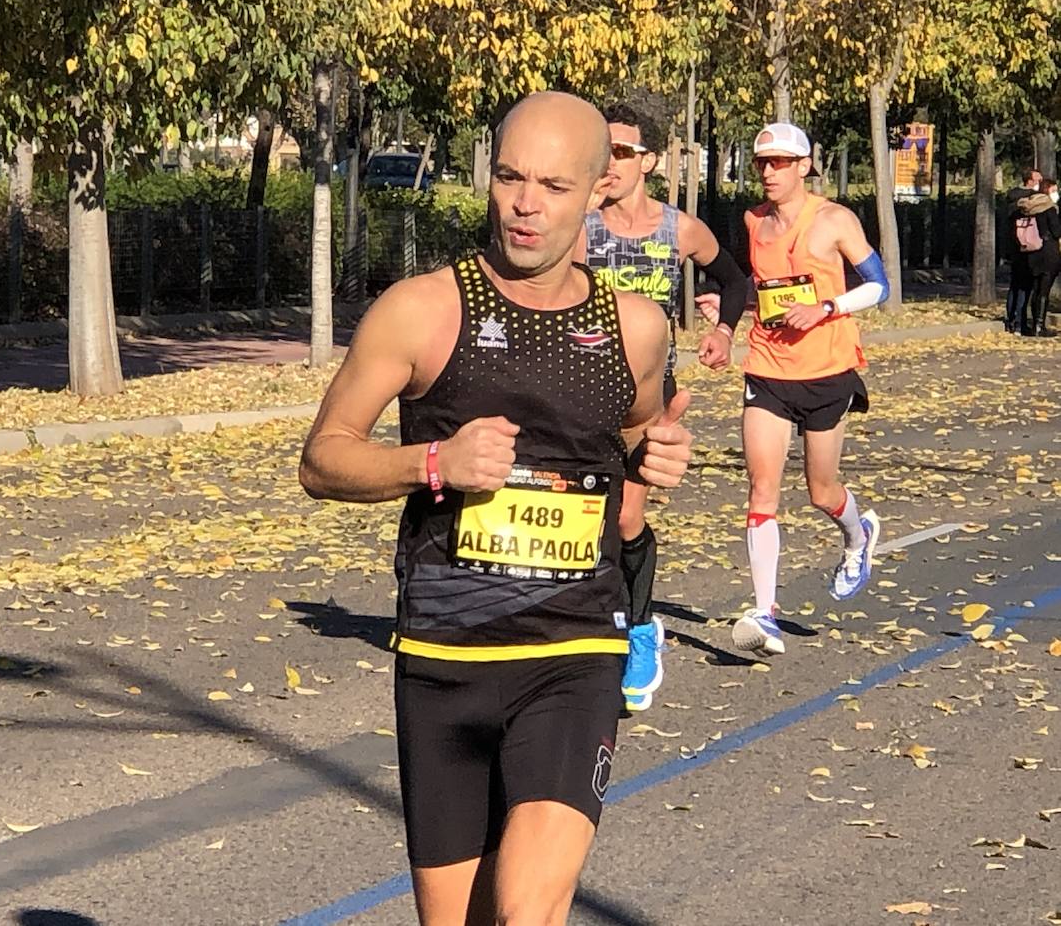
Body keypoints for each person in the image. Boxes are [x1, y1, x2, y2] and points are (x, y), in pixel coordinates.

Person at [299, 91, 694, 926]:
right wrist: (432, 461)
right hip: (444, 658)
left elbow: (635, 438)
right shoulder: (422, 309)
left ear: (599, 189)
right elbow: (323, 456)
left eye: (553, 184)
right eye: (510, 177)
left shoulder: (635, 327)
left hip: (573, 650)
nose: (525, 203)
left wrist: (655, 459)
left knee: (527, 911)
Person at [575, 102, 748, 712]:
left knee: (623, 521)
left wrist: (724, 331)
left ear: (648, 160)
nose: (611, 164)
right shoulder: (578, 225)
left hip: (649, 399)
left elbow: (736, 281)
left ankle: (642, 631)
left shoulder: (680, 230)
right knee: (577, 517)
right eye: (602, 152)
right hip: (577, 391)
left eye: (621, 153)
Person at [727, 123, 887, 657]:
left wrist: (825, 308)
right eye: (762, 163)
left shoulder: (834, 220)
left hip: (826, 372)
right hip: (768, 370)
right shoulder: (752, 221)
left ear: (804, 165)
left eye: (780, 162)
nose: (769, 172)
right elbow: (763, 286)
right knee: (761, 489)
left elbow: (879, 284)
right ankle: (764, 613)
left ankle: (857, 534)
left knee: (821, 491)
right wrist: (735, 309)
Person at [1004, 168, 1042, 334]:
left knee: (1015, 284)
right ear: (1031, 181)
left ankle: (1011, 319)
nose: (1040, 183)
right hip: (1029, 246)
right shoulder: (1032, 201)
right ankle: (1020, 322)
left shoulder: (1012, 198)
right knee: (1025, 287)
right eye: (1038, 180)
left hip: (1014, 245)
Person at [1024, 178, 1060, 337]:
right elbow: (1057, 231)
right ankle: (1039, 325)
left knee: (1036, 288)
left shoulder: (1030, 206)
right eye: (1054, 190)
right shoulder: (1049, 209)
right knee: (1044, 289)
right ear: (1047, 191)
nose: (1056, 193)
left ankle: (1033, 324)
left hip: (1032, 250)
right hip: (1048, 251)